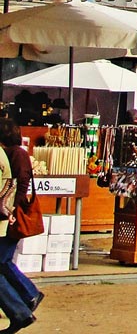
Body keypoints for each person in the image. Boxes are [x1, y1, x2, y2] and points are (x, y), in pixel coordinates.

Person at [0, 118, 38, 332]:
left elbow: (18, 183)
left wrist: (12, 207)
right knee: (4, 262)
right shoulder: (12, 153)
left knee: (3, 261)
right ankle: (25, 301)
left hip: (9, 215)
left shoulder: (15, 154)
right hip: (8, 213)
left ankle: (26, 300)